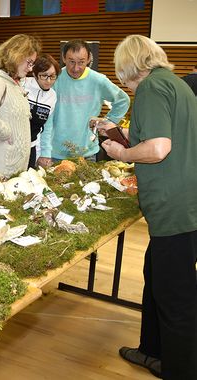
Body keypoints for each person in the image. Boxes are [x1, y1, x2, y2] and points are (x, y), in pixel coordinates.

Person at [98, 34, 197, 380]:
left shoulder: (152, 89)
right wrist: (122, 136)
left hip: (175, 207)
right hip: (184, 202)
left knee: (175, 297)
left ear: (129, 65)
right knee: (156, 275)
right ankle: (151, 350)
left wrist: (122, 153)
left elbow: (157, 149)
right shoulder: (176, 84)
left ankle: (180, 370)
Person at [37, 40, 130, 167]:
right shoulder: (55, 79)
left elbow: (123, 101)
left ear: (88, 59)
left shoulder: (98, 80)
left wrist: (107, 122)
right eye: (71, 62)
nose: (76, 68)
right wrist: (45, 152)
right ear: (64, 58)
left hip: (87, 153)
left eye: (81, 62)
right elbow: (47, 120)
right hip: (55, 154)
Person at [0, 34, 40, 179]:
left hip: (12, 166)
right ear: (16, 56)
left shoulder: (13, 82)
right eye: (29, 62)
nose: (30, 69)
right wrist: (4, 133)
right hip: (1, 166)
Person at [23, 53, 60, 168]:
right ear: (34, 74)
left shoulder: (52, 96)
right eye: (44, 76)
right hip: (12, 146)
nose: (49, 81)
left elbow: (46, 128)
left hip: (32, 146)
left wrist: (45, 153)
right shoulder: (22, 84)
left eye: (53, 76)